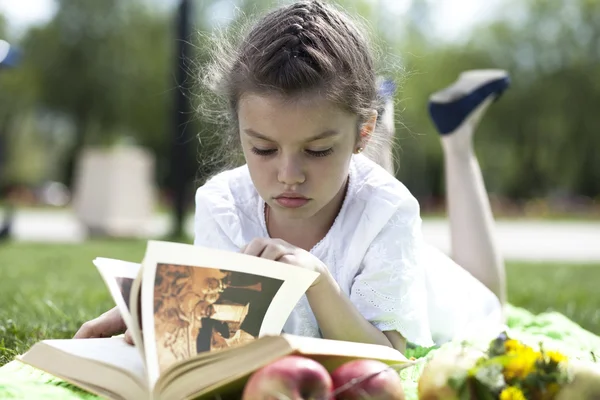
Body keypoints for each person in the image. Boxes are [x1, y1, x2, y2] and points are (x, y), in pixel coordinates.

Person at [75, 0, 507, 352]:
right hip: (359, 178)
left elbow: (386, 355)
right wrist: (162, 305)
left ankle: (456, 137)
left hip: (431, 291)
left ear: (361, 132)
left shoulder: (390, 211)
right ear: (239, 129)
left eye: (317, 150)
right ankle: (361, 130)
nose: (288, 176)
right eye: (263, 148)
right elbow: (224, 326)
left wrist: (318, 281)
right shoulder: (222, 205)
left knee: (490, 303)